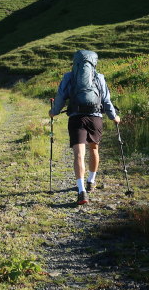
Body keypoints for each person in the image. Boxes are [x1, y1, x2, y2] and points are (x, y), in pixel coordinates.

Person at [49, 50, 120, 205]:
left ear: (75, 62)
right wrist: (114, 117)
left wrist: (53, 112)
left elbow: (61, 97)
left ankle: (81, 191)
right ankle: (91, 181)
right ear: (94, 62)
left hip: (76, 118)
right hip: (95, 118)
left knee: (78, 155)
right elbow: (106, 100)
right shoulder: (99, 77)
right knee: (94, 149)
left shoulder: (69, 77)